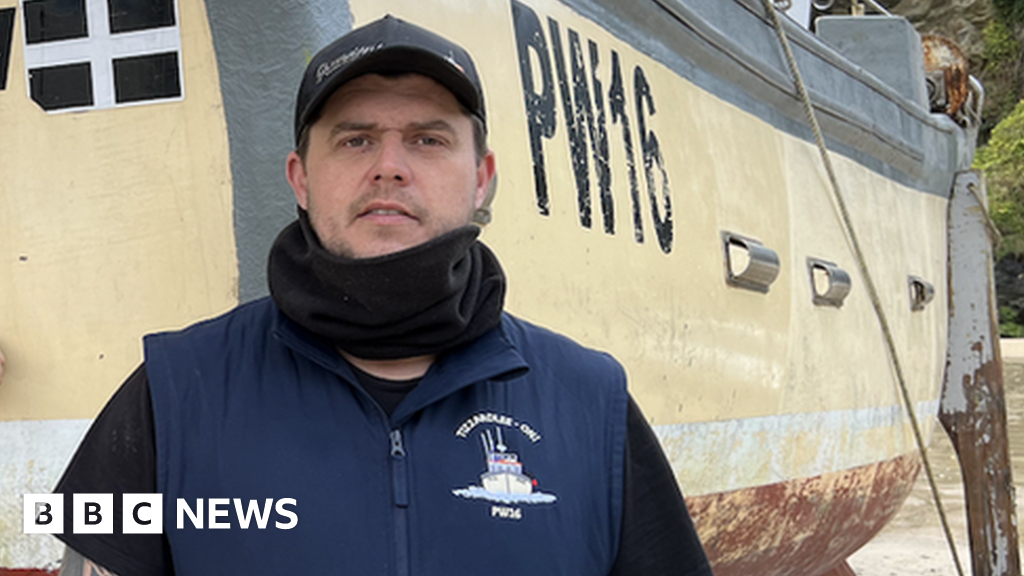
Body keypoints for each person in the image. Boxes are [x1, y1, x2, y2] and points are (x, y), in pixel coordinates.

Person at [52, 15, 713, 576]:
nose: (389, 167)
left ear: (481, 177)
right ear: (300, 178)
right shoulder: (172, 391)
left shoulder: (592, 402)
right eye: (355, 139)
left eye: (428, 139)